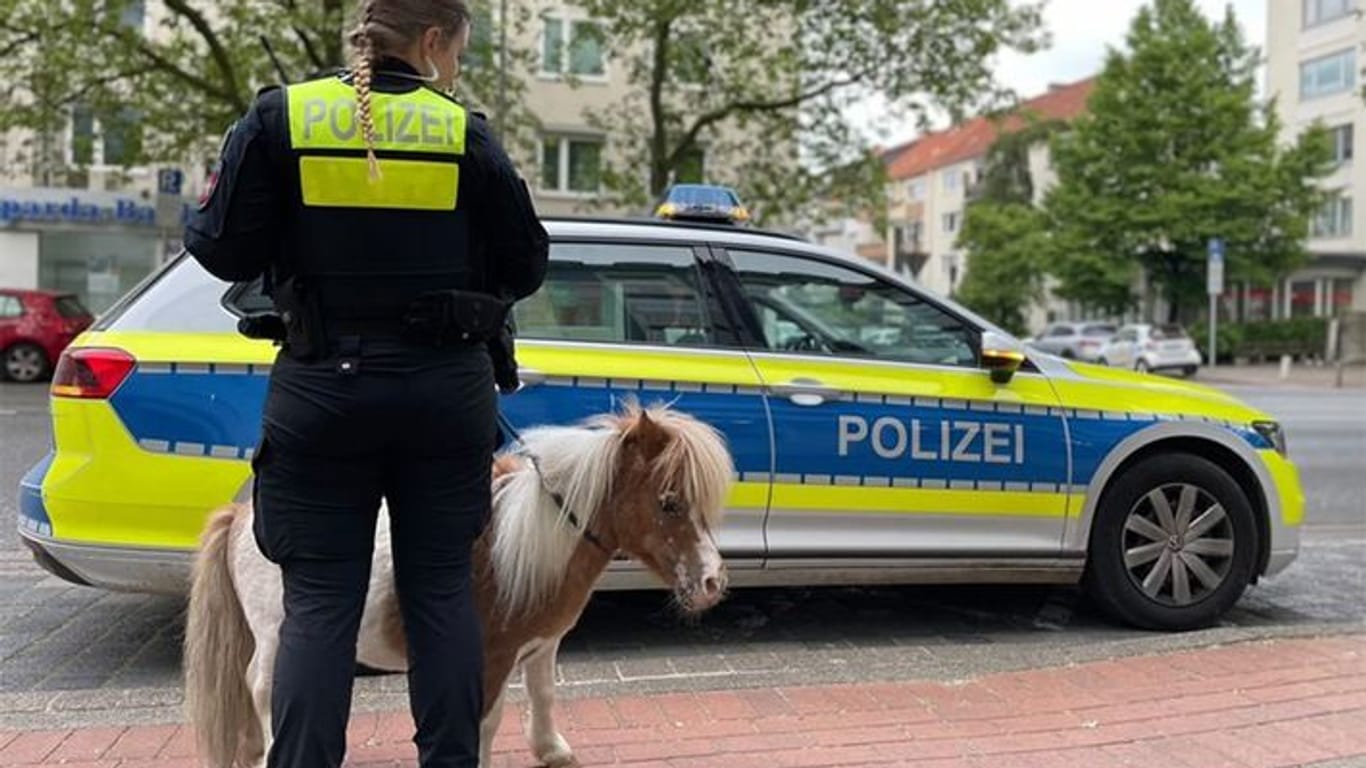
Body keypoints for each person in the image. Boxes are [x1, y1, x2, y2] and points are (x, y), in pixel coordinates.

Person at [182, 0, 548, 765]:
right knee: (442, 593)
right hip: (444, 395)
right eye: (458, 50)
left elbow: (219, 247)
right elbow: (525, 266)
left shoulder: (281, 119)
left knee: (317, 606)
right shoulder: (465, 134)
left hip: (323, 393)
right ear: (433, 40)